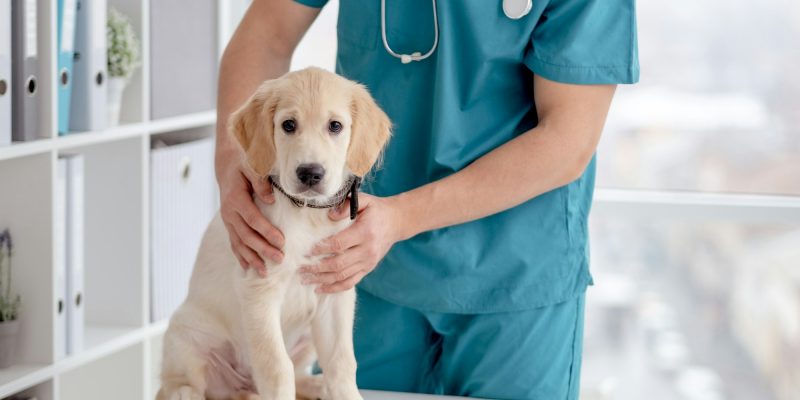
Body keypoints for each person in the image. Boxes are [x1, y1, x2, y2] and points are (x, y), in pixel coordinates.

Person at [214, 0, 639, 398]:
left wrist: (400, 218)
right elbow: (267, 33)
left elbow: (568, 139)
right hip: (360, 270)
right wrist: (235, 160)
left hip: (512, 279)